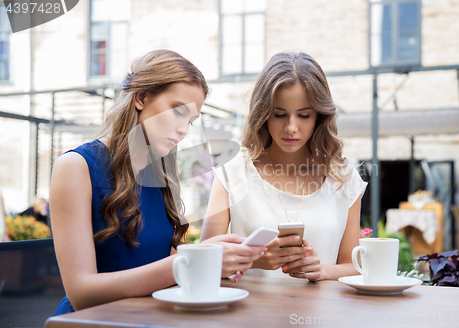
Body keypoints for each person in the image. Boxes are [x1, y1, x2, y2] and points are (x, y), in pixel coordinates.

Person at [49, 49, 266, 314]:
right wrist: (186, 263)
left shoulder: (159, 175)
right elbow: (82, 293)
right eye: (177, 111)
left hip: (150, 317)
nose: (184, 130)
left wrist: (211, 259)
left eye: (191, 120)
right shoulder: (75, 167)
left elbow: (157, 261)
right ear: (141, 98)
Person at [201, 51, 367, 281]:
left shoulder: (343, 179)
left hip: (322, 315)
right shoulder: (232, 173)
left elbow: (354, 267)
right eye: (279, 114)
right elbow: (203, 260)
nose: (291, 127)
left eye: (304, 115)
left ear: (319, 116)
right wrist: (253, 260)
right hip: (247, 314)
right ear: (263, 114)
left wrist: (323, 270)